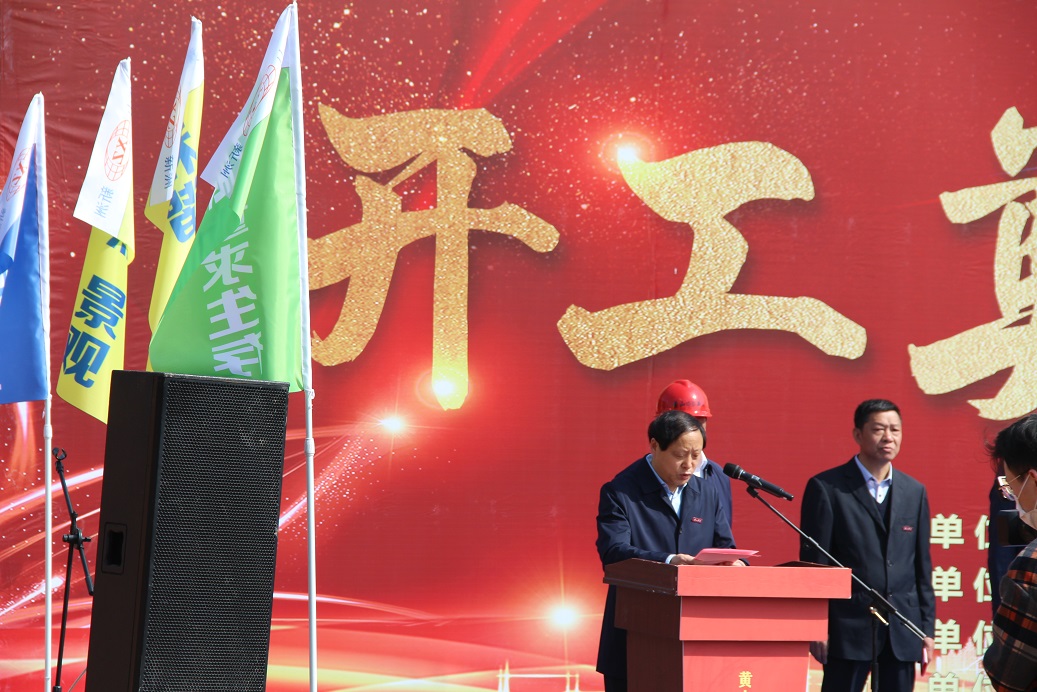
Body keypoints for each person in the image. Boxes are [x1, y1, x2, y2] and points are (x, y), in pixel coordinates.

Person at [596, 410, 743, 692]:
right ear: (654, 446)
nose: (689, 465)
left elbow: (725, 546)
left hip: (696, 637)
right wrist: (670, 561)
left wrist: (734, 564)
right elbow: (613, 553)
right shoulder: (621, 491)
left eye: (696, 455)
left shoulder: (707, 492)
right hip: (635, 633)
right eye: (680, 455)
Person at [799, 399, 936, 692]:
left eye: (895, 430)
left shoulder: (914, 491)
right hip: (848, 628)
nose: (888, 437)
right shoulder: (828, 488)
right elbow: (815, 566)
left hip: (902, 627)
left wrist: (925, 629)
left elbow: (921, 567)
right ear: (858, 434)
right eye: (878, 429)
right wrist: (816, 624)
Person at [984, 413, 1037, 690]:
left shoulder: (1030, 566)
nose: (1010, 493)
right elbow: (1004, 546)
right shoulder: (1009, 473)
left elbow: (1008, 676)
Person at [655, 379, 734, 523]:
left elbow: (723, 533)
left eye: (698, 421)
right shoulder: (635, 482)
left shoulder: (718, 476)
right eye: (685, 421)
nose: (691, 429)